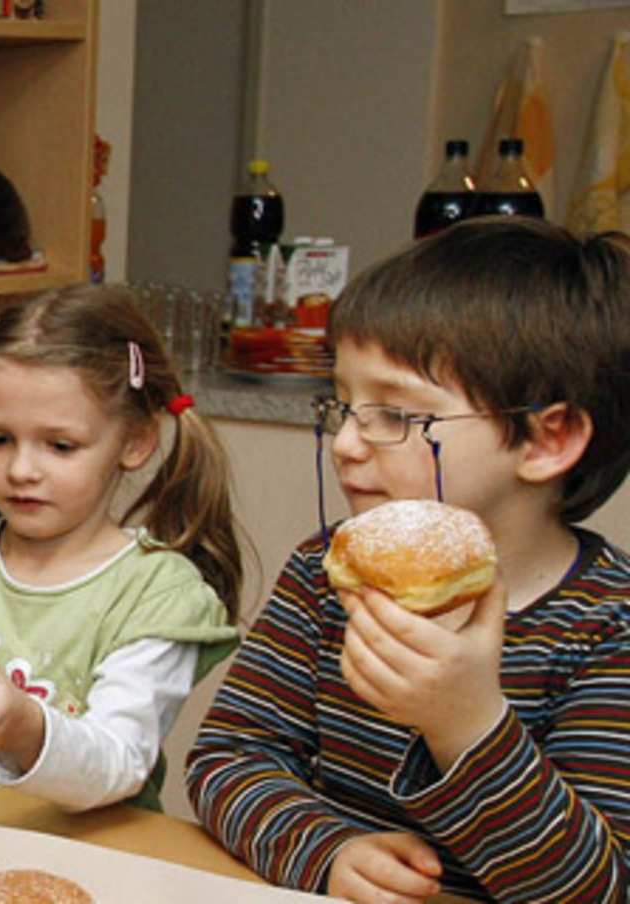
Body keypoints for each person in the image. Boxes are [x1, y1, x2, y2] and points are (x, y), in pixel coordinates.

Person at [186, 217, 630, 903]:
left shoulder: (609, 627)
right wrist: (325, 850)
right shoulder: (322, 575)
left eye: (396, 416)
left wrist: (466, 723)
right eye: (343, 406)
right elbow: (229, 758)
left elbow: (595, 891)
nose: (347, 443)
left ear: (549, 439)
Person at [0, 284, 243, 813]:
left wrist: (24, 727)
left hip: (98, 866)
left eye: (60, 446)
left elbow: (118, 763)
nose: (22, 469)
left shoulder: (157, 592)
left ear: (136, 441)